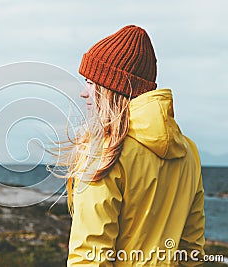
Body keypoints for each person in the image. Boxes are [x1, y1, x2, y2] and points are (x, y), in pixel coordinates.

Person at [60, 25, 205, 266]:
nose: (84, 93)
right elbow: (192, 250)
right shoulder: (189, 151)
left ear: (111, 88)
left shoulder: (106, 151)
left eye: (90, 82)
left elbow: (90, 256)